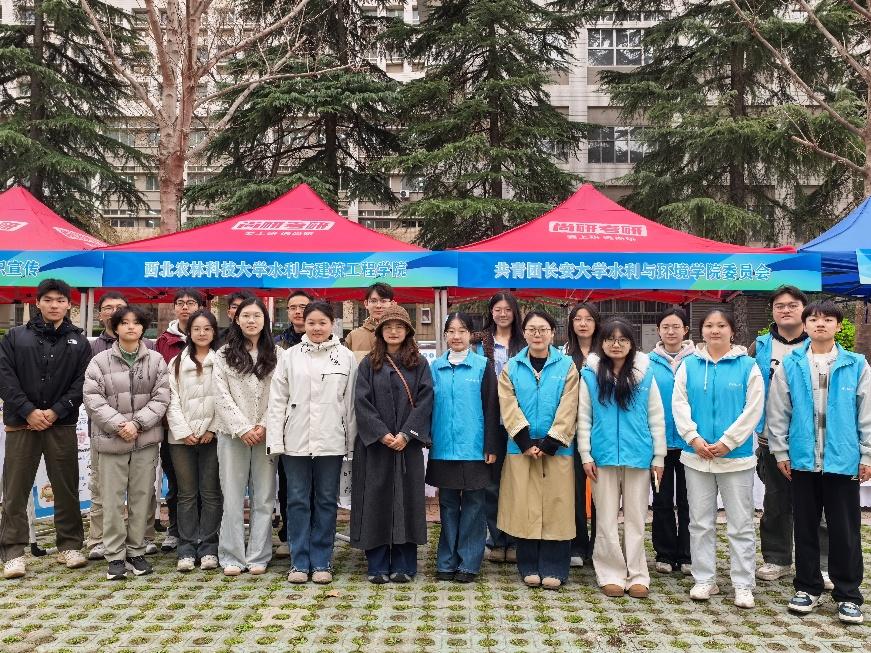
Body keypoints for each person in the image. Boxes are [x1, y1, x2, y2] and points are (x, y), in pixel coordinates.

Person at [767, 301, 871, 624]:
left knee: (845, 530)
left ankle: (848, 594)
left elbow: (866, 412)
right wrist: (781, 452)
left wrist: (867, 453)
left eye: (828, 319)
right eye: (813, 319)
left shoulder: (856, 364)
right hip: (803, 460)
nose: (820, 324)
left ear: (839, 326)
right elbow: (778, 410)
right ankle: (807, 587)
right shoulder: (792, 364)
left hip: (843, 461)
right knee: (805, 527)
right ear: (806, 324)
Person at [0, 279, 92, 579]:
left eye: (60, 300)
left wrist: (55, 411)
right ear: (37, 302)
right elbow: (5, 377)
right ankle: (13, 552)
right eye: (48, 300)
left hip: (60, 423)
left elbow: (82, 383)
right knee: (15, 489)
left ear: (69, 305)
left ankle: (70, 545)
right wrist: (28, 411)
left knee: (65, 487)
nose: (54, 305)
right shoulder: (16, 337)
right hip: (21, 424)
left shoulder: (79, 342)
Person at [672, 309, 763, 609]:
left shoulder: (748, 366)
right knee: (700, 522)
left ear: (732, 331)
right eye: (709, 325)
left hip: (735, 459)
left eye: (721, 325)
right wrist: (693, 438)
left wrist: (728, 442)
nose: (715, 330)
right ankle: (704, 579)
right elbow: (679, 404)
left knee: (740, 523)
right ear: (701, 331)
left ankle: (743, 583)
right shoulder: (689, 365)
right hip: (696, 457)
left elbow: (753, 408)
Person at [267, 301, 357, 584]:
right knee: (296, 500)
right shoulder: (290, 356)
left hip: (332, 439)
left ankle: (322, 560)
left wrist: (351, 443)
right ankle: (299, 561)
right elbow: (277, 400)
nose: (317, 328)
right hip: (295, 439)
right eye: (311, 323)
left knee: (326, 500)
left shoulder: (346, 357)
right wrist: (275, 440)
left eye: (322, 323)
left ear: (332, 325)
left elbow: (350, 404)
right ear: (303, 324)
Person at [579, 318, 665, 599]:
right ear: (601, 343)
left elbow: (656, 417)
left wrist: (659, 456)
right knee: (605, 518)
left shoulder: (645, 374)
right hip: (602, 456)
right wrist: (585, 454)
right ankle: (610, 572)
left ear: (631, 344)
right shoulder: (590, 375)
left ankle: (638, 573)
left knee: (636, 518)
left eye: (622, 339)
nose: (616, 345)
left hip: (638, 455)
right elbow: (584, 417)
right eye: (610, 339)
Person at [82, 305, 170, 580]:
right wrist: (120, 425)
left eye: (136, 322)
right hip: (111, 440)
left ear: (143, 327)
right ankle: (115, 556)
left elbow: (162, 397)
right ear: (116, 327)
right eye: (125, 322)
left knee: (142, 497)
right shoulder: (99, 361)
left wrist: (137, 424)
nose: (131, 327)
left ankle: (136, 551)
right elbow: (92, 399)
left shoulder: (156, 360)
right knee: (111, 499)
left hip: (144, 439)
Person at [750, 286, 830, 586]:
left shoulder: (818, 343)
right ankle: (777, 558)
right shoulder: (759, 346)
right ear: (772, 311)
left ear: (804, 311)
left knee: (819, 504)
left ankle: (822, 564)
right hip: (771, 438)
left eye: (792, 305)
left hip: (813, 437)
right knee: (775, 502)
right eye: (779, 305)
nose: (786, 310)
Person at [497, 310, 579, 590]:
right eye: (532, 329)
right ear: (524, 333)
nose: (537, 334)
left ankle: (555, 565)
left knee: (557, 506)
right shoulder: (512, 366)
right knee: (525, 505)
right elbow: (507, 404)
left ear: (552, 333)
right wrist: (524, 440)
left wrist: (551, 441)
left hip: (557, 448)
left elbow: (570, 405)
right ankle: (528, 563)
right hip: (521, 448)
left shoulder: (567, 366)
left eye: (543, 329)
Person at [351, 305, 433, 584]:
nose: (394, 331)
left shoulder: (419, 363)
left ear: (408, 331)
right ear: (380, 332)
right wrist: (381, 433)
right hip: (375, 446)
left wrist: (407, 433)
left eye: (399, 327)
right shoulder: (368, 364)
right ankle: (376, 564)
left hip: (407, 446)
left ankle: (404, 564)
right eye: (388, 327)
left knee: (407, 501)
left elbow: (426, 400)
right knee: (375, 501)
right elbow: (361, 401)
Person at [427, 312, 500, 583]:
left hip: (474, 448)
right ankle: (446, 562)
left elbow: (492, 407)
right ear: (445, 335)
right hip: (443, 448)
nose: (456, 336)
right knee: (447, 505)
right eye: (451, 331)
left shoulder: (482, 366)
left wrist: (490, 444)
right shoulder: (435, 367)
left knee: (474, 505)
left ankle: (469, 563)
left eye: (462, 331)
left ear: (471, 335)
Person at [214, 297, 277, 576]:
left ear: (265, 320)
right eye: (246, 316)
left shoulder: (278, 354)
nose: (251, 321)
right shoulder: (223, 354)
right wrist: (242, 428)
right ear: (236, 320)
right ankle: (231, 556)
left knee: (264, 496)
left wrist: (263, 425)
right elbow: (220, 395)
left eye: (257, 316)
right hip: (232, 434)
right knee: (232, 495)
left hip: (267, 435)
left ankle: (259, 555)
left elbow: (282, 395)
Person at [166, 309, 222, 573]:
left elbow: (225, 398)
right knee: (186, 494)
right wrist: (183, 431)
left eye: (207, 329)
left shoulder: (222, 362)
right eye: (197, 329)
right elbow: (171, 400)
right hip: (181, 439)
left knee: (211, 493)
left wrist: (212, 428)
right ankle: (186, 548)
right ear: (189, 332)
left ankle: (209, 547)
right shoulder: (176, 363)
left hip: (213, 437)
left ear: (214, 332)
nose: (202, 333)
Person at [473, 291, 526, 564]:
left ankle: (515, 540)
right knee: (491, 483)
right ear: (491, 312)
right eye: (497, 309)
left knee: (517, 481)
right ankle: (495, 539)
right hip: (490, 420)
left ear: (515, 312)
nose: (503, 314)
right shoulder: (479, 343)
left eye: (507, 309)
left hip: (519, 421)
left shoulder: (524, 341)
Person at [154, 288, 204, 553]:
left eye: (191, 303)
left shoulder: (211, 338)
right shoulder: (163, 341)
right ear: (174, 308)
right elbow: (160, 384)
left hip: (207, 425)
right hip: (172, 424)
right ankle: (176, 530)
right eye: (180, 303)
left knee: (207, 484)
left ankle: (205, 531)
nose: (185, 307)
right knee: (176, 482)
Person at [648, 307, 695, 576]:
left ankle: (688, 554)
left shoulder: (697, 360)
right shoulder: (647, 362)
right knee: (662, 500)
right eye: (665, 326)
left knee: (690, 502)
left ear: (685, 330)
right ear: (658, 330)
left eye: (676, 326)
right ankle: (664, 553)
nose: (671, 331)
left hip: (691, 445)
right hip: (659, 445)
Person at [273, 289, 313, 558]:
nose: (298, 312)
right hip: (289, 423)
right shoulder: (277, 343)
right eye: (293, 307)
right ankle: (289, 534)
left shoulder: (328, 341)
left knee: (318, 486)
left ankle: (315, 535)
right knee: (289, 484)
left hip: (320, 421)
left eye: (303, 307)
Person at [563, 302, 601, 568]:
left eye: (588, 319)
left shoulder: (607, 352)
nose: (583, 324)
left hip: (602, 431)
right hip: (572, 431)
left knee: (602, 490)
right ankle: (577, 544)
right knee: (575, 490)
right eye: (578, 319)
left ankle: (599, 545)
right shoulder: (564, 355)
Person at [344, 282, 394, 356]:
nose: (378, 306)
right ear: (366, 304)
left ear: (392, 304)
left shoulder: (400, 335)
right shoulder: (353, 336)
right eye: (373, 301)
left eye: (383, 301)